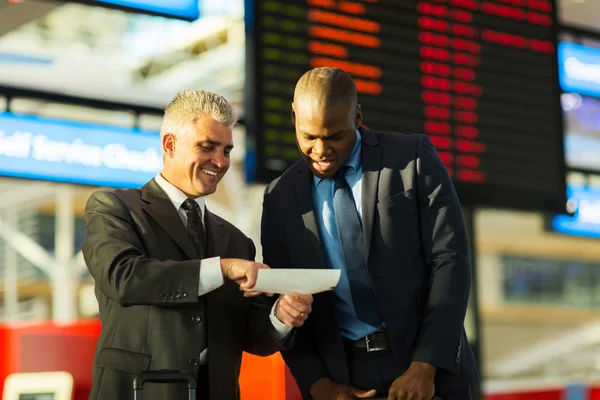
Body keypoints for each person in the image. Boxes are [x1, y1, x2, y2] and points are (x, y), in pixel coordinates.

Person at [261, 67, 479, 400]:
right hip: (343, 379)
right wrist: (317, 383)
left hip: (428, 372)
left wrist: (426, 365)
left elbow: (451, 261)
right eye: (309, 137)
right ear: (293, 118)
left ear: (358, 117)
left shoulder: (413, 159)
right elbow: (285, 295)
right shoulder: (279, 197)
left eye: (335, 136)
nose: (320, 150)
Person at [82, 89, 313, 400]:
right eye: (208, 147)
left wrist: (281, 317)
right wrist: (222, 268)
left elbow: (251, 337)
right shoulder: (114, 207)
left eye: (227, 150)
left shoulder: (236, 241)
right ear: (170, 144)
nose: (219, 162)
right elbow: (123, 278)